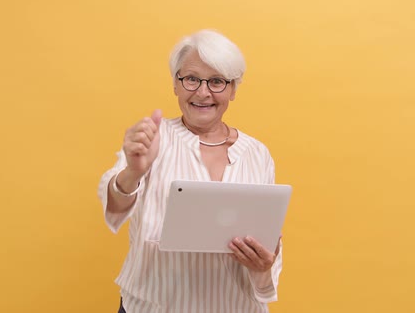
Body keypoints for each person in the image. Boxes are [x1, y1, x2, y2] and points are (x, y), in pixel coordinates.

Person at [98, 29, 283, 313]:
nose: (203, 92)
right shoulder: (152, 138)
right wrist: (133, 172)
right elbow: (114, 206)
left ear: (233, 89)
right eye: (192, 79)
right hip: (151, 307)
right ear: (176, 84)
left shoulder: (257, 154)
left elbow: (268, 243)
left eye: (217, 81)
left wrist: (264, 265)